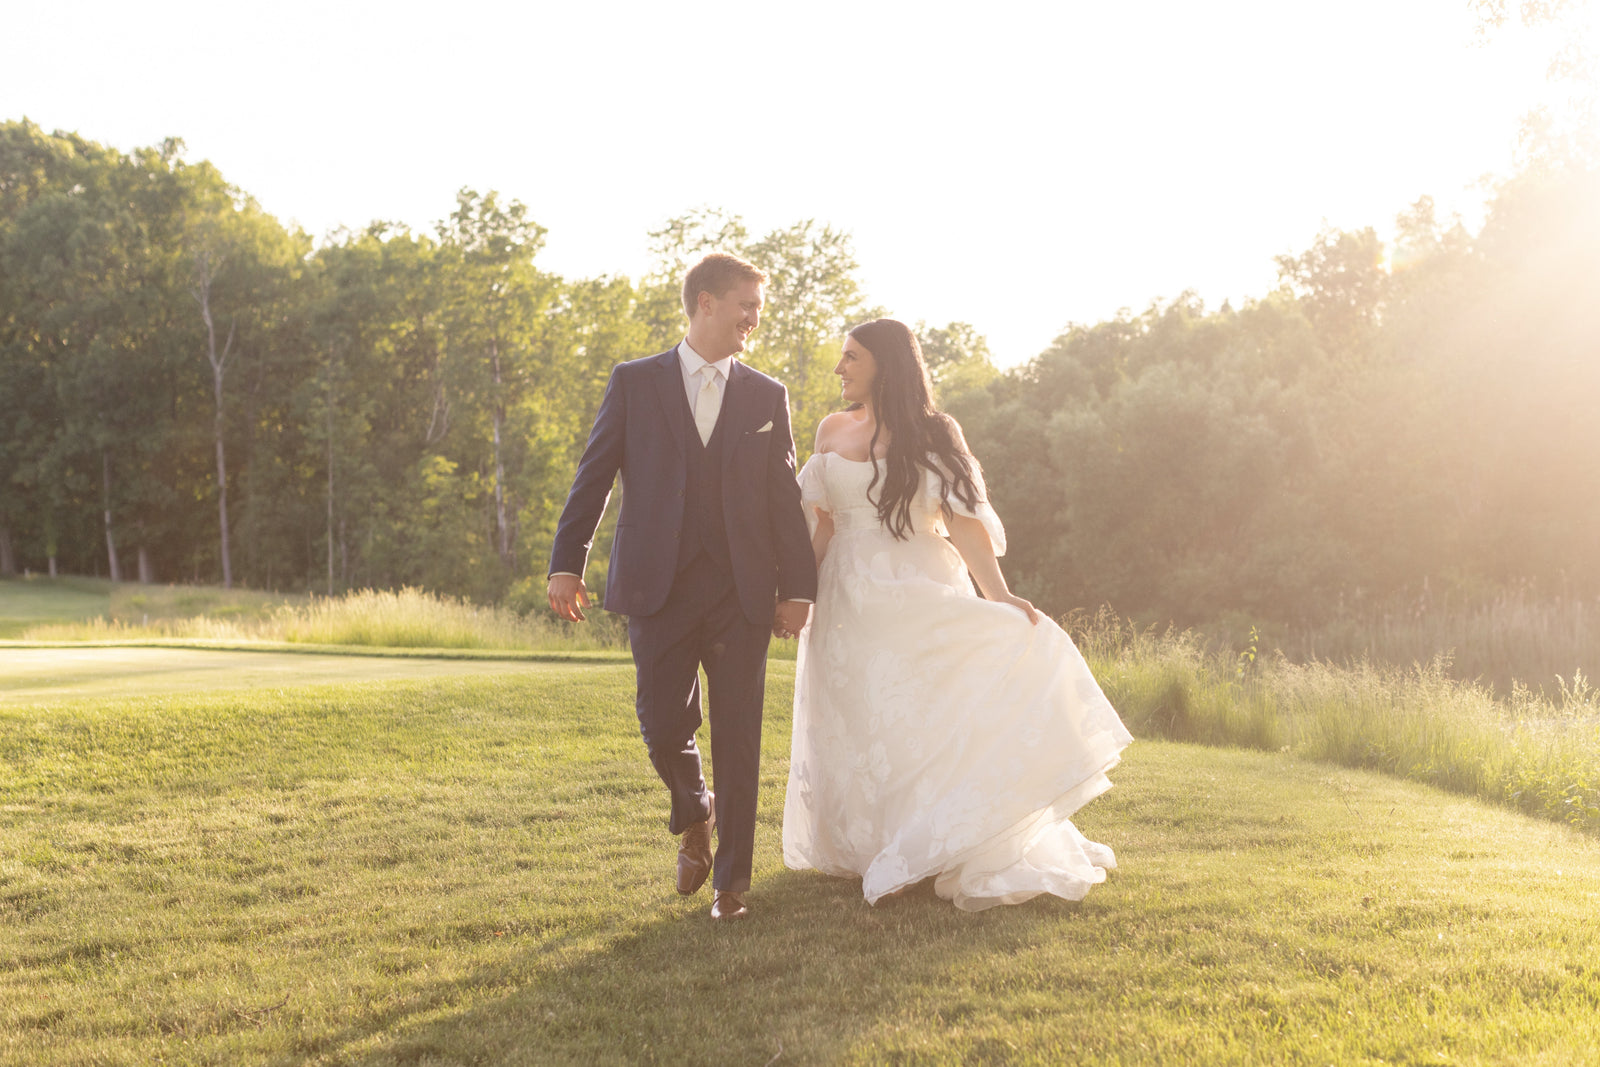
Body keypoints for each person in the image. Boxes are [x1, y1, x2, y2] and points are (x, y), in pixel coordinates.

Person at [783, 318, 1132, 911]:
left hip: (917, 586)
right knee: (860, 716)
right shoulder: (831, 428)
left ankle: (935, 840)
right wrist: (796, 594)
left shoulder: (935, 434)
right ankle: (874, 843)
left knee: (923, 711)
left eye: (851, 357)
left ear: (886, 364)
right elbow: (823, 525)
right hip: (847, 600)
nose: (839, 368)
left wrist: (998, 596)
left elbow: (966, 526)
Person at [547, 253, 817, 922]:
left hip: (742, 592)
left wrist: (798, 587)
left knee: (739, 733)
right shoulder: (635, 383)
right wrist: (566, 560)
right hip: (656, 585)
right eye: (744, 306)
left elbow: (783, 497)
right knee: (661, 720)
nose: (753, 319)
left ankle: (732, 886)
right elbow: (594, 474)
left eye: (757, 308)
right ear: (704, 303)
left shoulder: (765, 394)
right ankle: (695, 805)